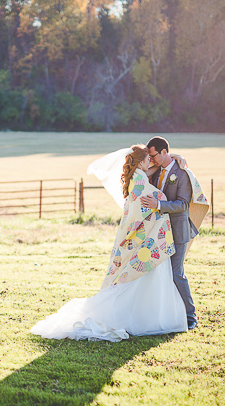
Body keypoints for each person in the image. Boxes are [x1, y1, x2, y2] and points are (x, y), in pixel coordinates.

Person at [30, 145, 195, 341]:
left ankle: (178, 315)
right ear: (141, 161)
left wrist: (176, 156)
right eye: (147, 159)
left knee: (172, 273)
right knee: (167, 274)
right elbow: (149, 202)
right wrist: (159, 201)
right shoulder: (140, 179)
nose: (151, 162)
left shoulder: (137, 175)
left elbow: (157, 177)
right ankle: (172, 316)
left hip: (159, 235)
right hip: (149, 237)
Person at [140, 136, 201, 330]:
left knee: (176, 273)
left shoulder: (182, 174)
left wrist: (158, 205)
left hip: (178, 231)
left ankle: (190, 316)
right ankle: (168, 312)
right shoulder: (157, 171)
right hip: (160, 233)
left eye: (154, 155)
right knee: (163, 274)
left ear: (164, 152)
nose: (152, 160)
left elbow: (183, 204)